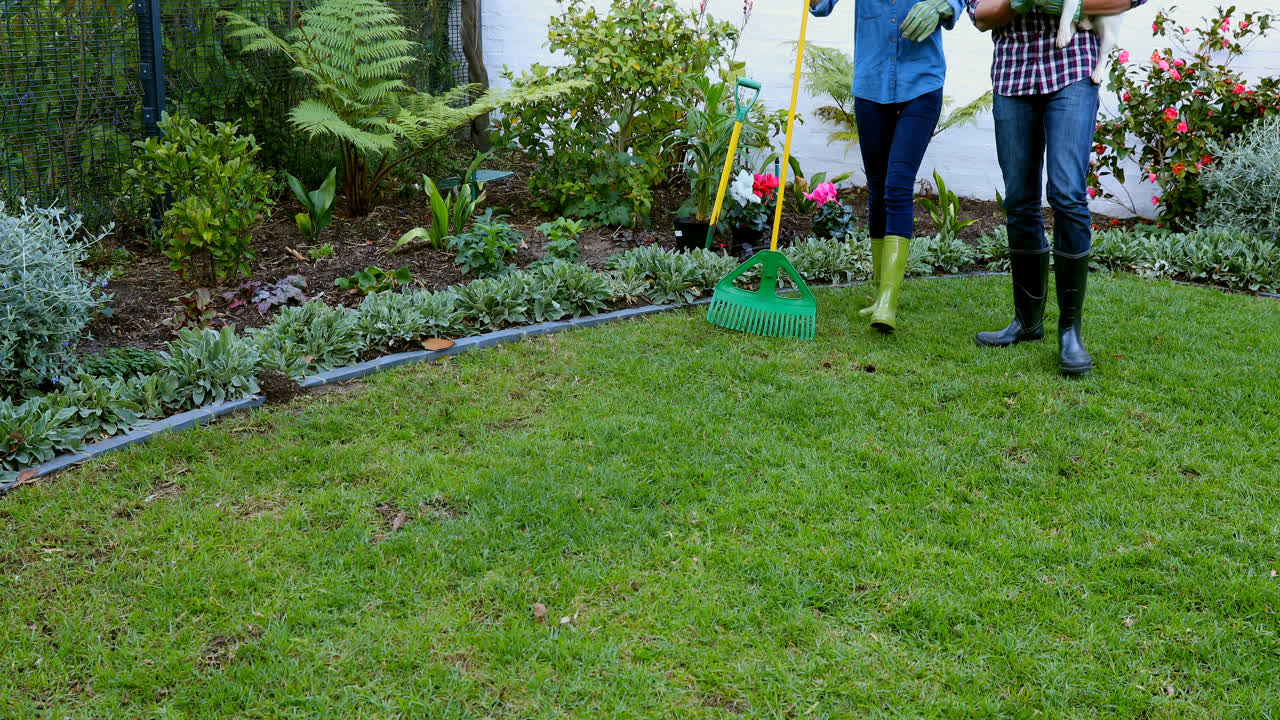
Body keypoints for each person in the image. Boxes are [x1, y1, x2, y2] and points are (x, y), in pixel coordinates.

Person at [969, 0, 1146, 374]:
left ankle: (1070, 332)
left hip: (1072, 69)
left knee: (1066, 193)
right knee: (1018, 200)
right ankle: (1028, 322)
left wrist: (1078, 3)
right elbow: (979, 15)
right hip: (1012, 72)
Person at [809, 0, 966, 333]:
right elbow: (820, 6)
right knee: (877, 188)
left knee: (897, 185)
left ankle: (888, 302)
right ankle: (879, 292)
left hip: (922, 84)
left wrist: (944, 6)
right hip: (871, 82)